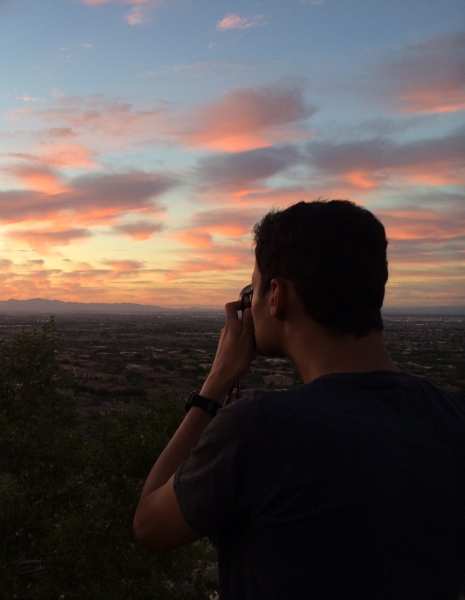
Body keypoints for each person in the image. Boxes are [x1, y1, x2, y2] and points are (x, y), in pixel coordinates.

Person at [133, 200, 465, 599]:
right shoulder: (453, 417)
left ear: (277, 296)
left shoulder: (260, 430)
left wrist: (215, 385)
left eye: (251, 290)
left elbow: (150, 526)